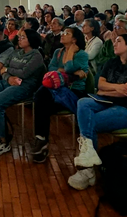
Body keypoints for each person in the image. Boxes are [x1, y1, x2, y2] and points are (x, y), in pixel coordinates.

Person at [69, 34, 127, 191]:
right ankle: (90, 154)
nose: (114, 43)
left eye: (119, 41)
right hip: (108, 102)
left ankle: (88, 170)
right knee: (83, 103)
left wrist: (109, 89)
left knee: (89, 121)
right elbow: (100, 85)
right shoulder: (112, 62)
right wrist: (118, 87)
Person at [31, 27, 89, 163]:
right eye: (62, 33)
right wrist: (68, 72)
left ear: (75, 39)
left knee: (42, 101)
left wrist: (70, 54)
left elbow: (67, 69)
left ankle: (41, 140)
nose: (62, 35)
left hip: (74, 92)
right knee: (42, 96)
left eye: (67, 33)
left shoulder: (81, 54)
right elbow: (50, 70)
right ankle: (41, 139)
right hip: (55, 90)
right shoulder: (58, 52)